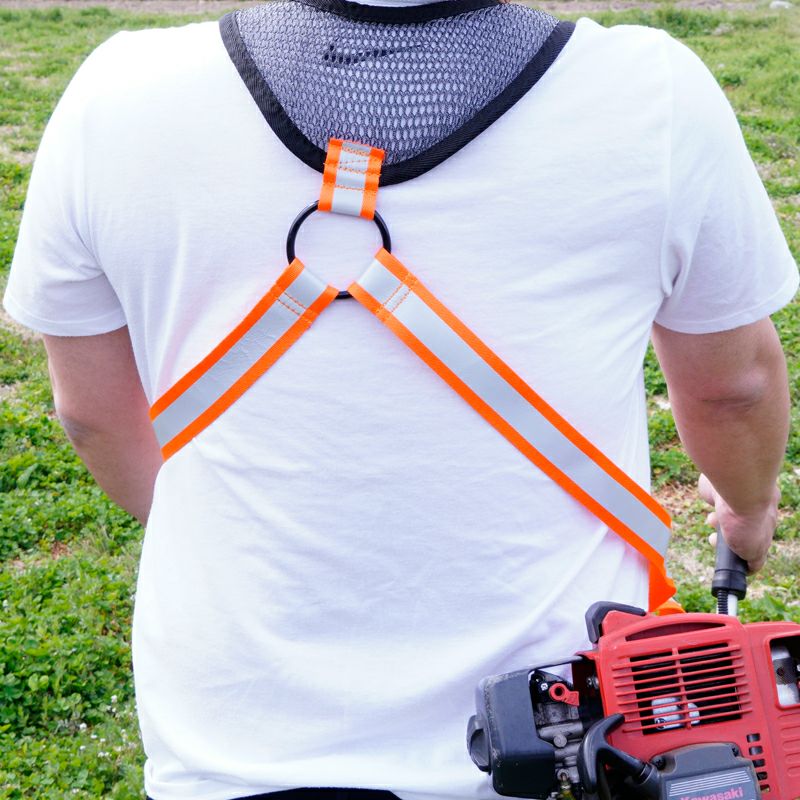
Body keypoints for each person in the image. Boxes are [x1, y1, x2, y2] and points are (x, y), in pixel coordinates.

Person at [3, 0, 796, 797]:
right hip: (565, 733)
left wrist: (226, 529)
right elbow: (735, 388)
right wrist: (748, 508)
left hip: (230, 739)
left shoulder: (118, 94)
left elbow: (93, 413)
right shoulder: (651, 94)